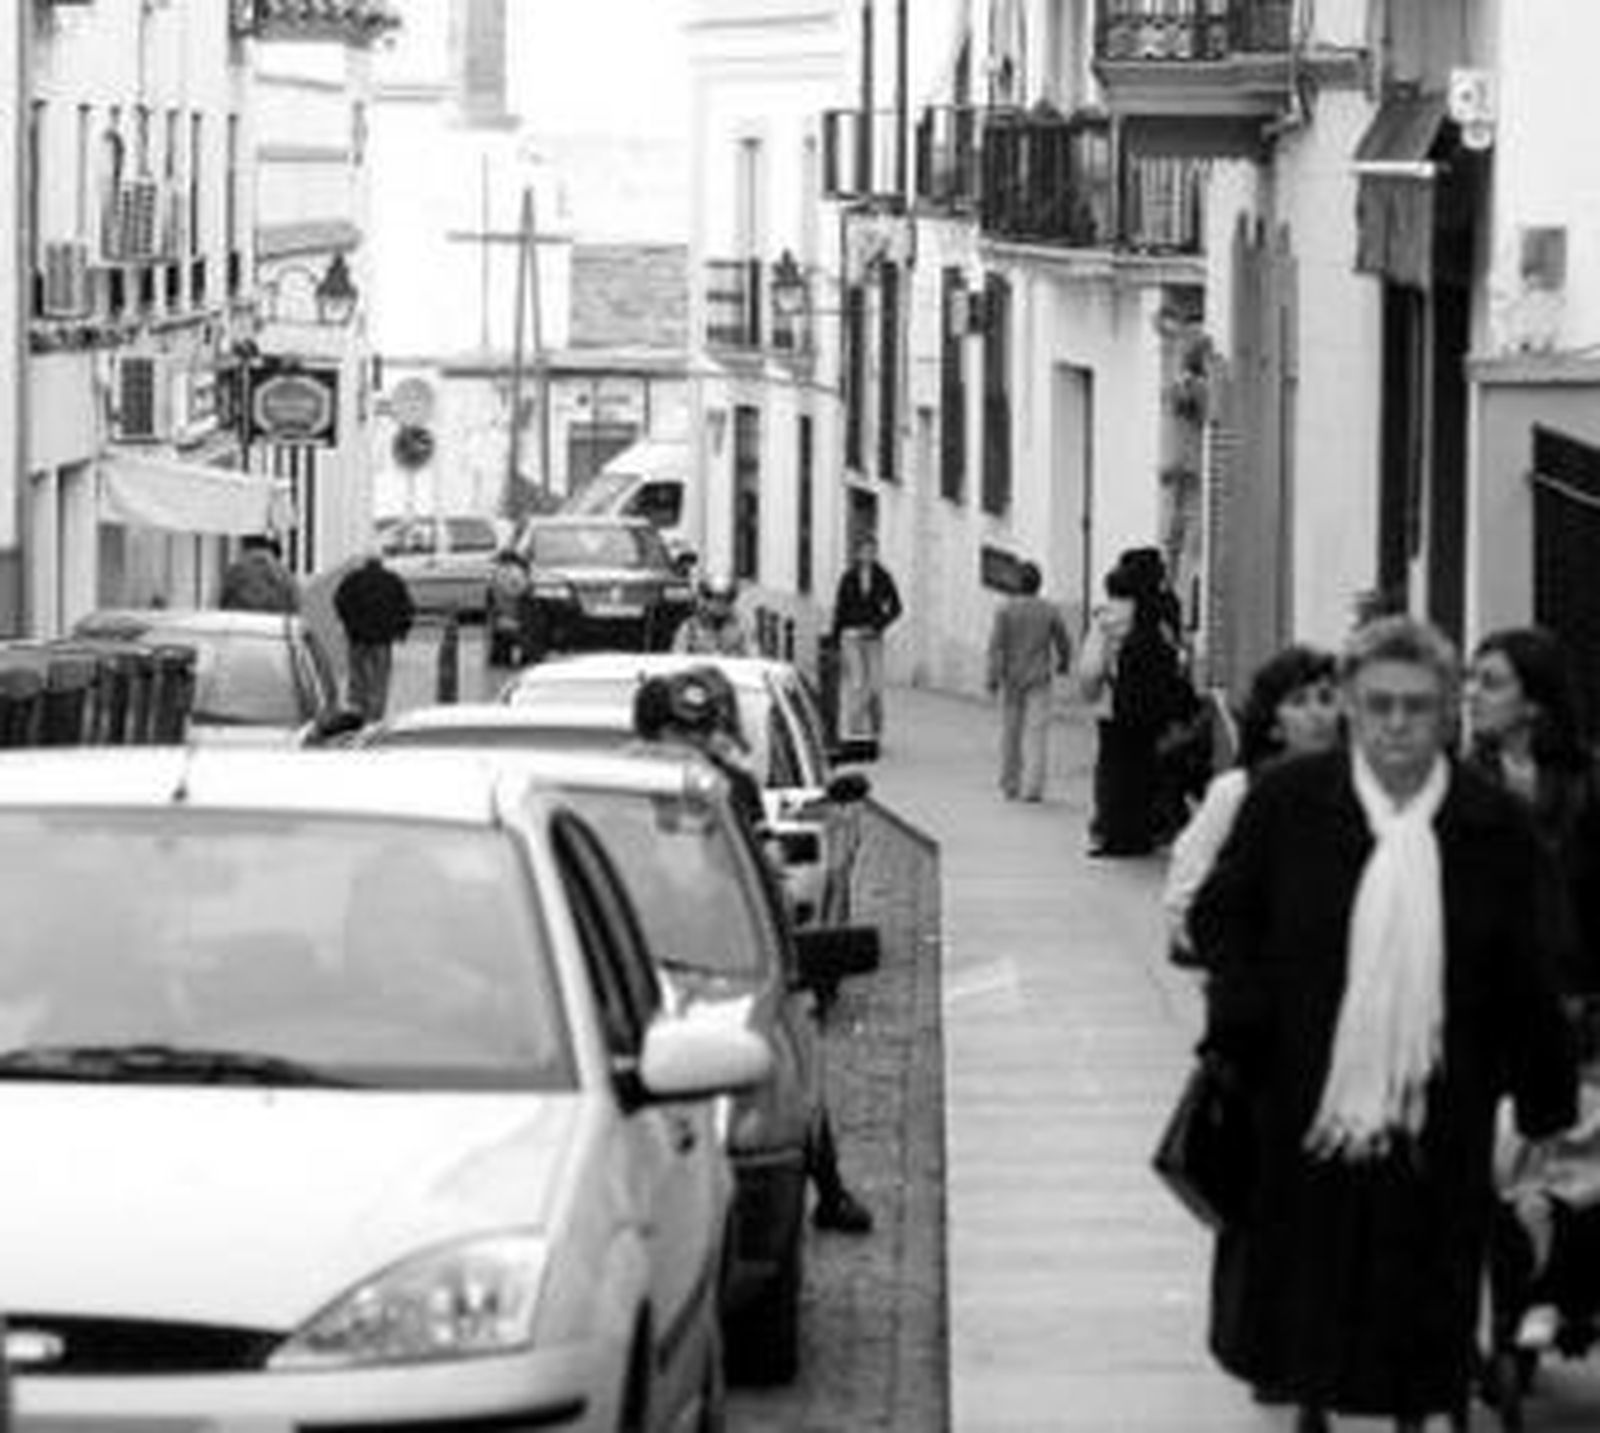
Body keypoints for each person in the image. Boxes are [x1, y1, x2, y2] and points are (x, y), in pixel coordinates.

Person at [1189, 613, 1579, 1433]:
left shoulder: (1490, 826)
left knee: (1423, 1302)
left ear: (1446, 714)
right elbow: (1222, 916)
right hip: (1307, 1101)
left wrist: (1544, 1098)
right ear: (1353, 711)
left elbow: (1530, 966)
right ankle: (1315, 1412)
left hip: (1441, 1106)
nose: (1398, 724)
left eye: (1417, 706)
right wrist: (1245, 1016)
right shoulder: (1291, 804)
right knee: (1314, 1302)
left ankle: (1417, 1409)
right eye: (1379, 705)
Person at [631, 666, 875, 1235]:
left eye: (697, 734)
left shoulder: (729, 789)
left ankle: (829, 1188)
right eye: (677, 734)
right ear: (654, 732)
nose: (688, 746)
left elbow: (760, 881)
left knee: (791, 1059)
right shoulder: (623, 783)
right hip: (641, 948)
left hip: (717, 953)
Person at [1162, 643, 1340, 964]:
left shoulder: (1358, 791)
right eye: (1299, 702)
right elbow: (1184, 894)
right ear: (1273, 725)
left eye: (1327, 699)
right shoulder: (1238, 793)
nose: (1317, 714)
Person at [1465, 626, 1600, 997]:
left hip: (1576, 993)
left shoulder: (1586, 781)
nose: (1471, 694)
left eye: (1490, 683)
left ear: (1533, 702)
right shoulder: (1463, 785)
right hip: (1490, 995)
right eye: (1471, 679)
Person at [1079, 559, 1194, 856]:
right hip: (1153, 707)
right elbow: (1180, 658)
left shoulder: (1107, 617)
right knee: (1145, 768)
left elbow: (1092, 668)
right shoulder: (1163, 613)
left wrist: (1090, 694)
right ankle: (1145, 832)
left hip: (1114, 707)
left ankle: (1113, 833)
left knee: (1113, 769)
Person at [984, 560, 1074, 803]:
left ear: (1017, 583)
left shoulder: (1005, 610)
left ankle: (1010, 783)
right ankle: (1033, 787)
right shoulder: (1049, 610)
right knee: (1037, 734)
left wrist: (992, 677)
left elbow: (996, 647)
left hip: (1012, 679)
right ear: (1038, 584)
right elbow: (1063, 641)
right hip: (1039, 678)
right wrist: (1064, 662)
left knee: (1011, 733)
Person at [830, 535, 902, 743]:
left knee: (875, 685)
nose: (868, 555)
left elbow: (897, 607)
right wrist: (836, 637)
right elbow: (840, 609)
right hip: (851, 636)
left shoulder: (883, 576)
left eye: (872, 551)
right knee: (857, 682)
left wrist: (880, 624)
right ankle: (856, 727)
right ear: (857, 553)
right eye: (864, 550)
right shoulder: (848, 577)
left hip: (872, 637)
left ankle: (876, 724)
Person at [332, 552, 415, 722]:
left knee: (357, 678)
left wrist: (349, 624)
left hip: (358, 639)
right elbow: (407, 608)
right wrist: (400, 631)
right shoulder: (393, 581)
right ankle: (376, 716)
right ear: (381, 563)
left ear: (365, 563)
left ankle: (358, 712)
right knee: (380, 681)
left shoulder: (352, 580)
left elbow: (339, 601)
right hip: (382, 640)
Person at [671, 571, 756, 657]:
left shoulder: (742, 626)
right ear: (706, 599)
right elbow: (678, 658)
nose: (720, 604)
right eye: (715, 598)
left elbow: (753, 657)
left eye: (726, 599)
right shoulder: (690, 627)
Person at [219, 534, 299, 615]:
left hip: (240, 625)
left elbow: (223, 607)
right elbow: (294, 610)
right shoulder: (284, 576)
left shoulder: (234, 572)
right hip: (272, 625)